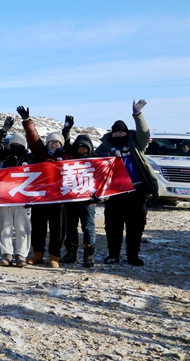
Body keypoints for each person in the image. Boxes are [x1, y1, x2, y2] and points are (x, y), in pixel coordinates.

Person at [95, 99, 160, 266]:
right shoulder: (104, 147)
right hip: (115, 193)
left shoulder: (136, 144)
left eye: (121, 132)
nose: (118, 135)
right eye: (115, 132)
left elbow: (144, 132)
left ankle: (133, 255)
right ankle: (113, 254)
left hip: (136, 192)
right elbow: (92, 163)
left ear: (126, 133)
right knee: (113, 226)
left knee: (135, 226)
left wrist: (137, 114)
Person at [18, 106, 70, 268]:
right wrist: (27, 121)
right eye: (51, 142)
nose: (54, 144)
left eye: (57, 142)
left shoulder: (67, 155)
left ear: (61, 143)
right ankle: (38, 254)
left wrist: (67, 130)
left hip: (58, 197)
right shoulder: (41, 153)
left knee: (58, 228)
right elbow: (33, 138)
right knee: (38, 226)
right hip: (41, 195)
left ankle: (54, 256)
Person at [0, 117, 33, 268]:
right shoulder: (6, 156)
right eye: (13, 144)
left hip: (23, 198)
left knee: (23, 227)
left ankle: (21, 254)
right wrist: (4, 131)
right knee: (4, 226)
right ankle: (7, 253)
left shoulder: (30, 158)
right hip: (5, 196)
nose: (15, 146)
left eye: (19, 144)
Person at [62, 131, 98, 267]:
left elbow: (103, 179)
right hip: (71, 200)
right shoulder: (70, 160)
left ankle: (89, 256)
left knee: (88, 227)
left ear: (89, 148)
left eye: (85, 148)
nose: (82, 150)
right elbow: (65, 146)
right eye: (79, 148)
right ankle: (71, 253)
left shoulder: (96, 161)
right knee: (70, 227)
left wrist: (101, 196)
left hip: (87, 200)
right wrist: (66, 131)